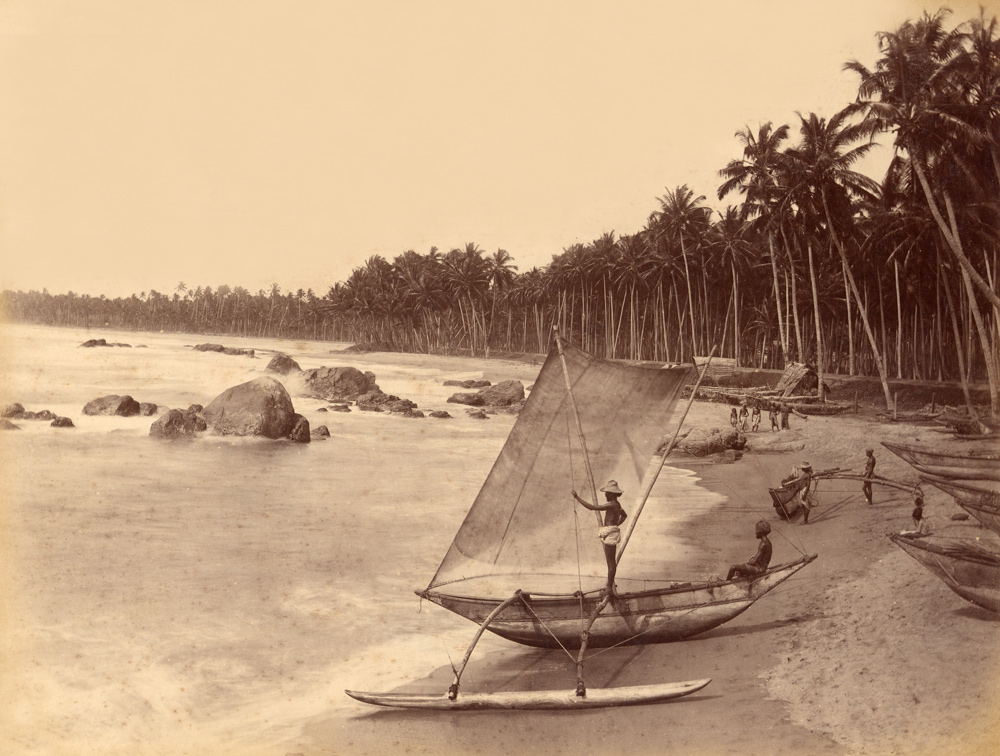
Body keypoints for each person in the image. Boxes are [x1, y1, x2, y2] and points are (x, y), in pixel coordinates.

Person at [573, 480, 628, 596]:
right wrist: (616, 525)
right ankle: (609, 586)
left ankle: (609, 587)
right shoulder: (617, 505)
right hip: (610, 532)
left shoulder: (612, 504)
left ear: (612, 494)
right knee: (611, 562)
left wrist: (577, 497)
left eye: (607, 493)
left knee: (610, 562)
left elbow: (592, 507)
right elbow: (624, 515)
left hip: (610, 533)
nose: (605, 494)